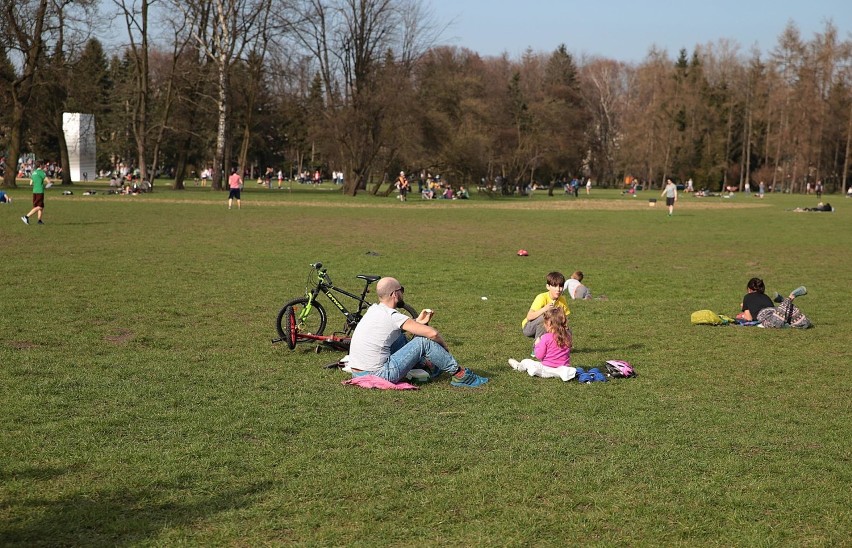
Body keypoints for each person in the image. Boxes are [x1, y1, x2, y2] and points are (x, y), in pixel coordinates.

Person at [347, 277, 489, 387]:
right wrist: (444, 348)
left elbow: (399, 327)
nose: (402, 293)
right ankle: (461, 375)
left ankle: (425, 365)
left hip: (358, 373)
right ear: (395, 294)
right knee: (423, 342)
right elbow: (432, 334)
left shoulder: (374, 310)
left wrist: (418, 322)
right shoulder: (392, 316)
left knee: (398, 338)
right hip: (378, 375)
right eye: (401, 289)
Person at [508, 307, 574, 381]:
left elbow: (539, 356)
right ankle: (561, 374)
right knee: (563, 371)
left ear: (549, 324)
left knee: (526, 361)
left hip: (547, 368)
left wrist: (537, 344)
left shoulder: (546, 337)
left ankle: (519, 366)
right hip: (563, 368)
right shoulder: (568, 336)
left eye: (544, 323)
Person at [737, 277, 811, 328]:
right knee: (804, 322)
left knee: (775, 324)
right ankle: (784, 301)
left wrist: (743, 311)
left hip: (767, 316)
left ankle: (789, 299)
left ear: (749, 289)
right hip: (775, 311)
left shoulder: (747, 297)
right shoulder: (766, 297)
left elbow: (749, 319)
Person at [522, 271, 570, 342]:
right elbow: (529, 317)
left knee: (567, 329)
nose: (558, 289)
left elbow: (564, 320)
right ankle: (536, 348)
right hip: (529, 327)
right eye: (555, 286)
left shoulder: (562, 300)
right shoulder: (541, 297)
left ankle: (559, 349)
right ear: (548, 287)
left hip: (549, 326)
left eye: (561, 286)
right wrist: (545, 309)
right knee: (545, 319)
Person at [22, 160, 51, 225]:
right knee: (39, 207)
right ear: (40, 165)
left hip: (34, 191)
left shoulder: (34, 172)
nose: (44, 166)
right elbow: (48, 182)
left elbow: (30, 183)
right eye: (43, 164)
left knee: (40, 206)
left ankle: (39, 220)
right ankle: (26, 217)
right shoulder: (42, 172)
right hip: (40, 191)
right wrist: (48, 185)